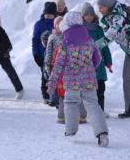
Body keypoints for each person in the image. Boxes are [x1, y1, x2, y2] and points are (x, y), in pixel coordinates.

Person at [47, 11, 109, 147]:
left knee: (70, 103)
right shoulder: (89, 40)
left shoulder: (65, 43)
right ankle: (102, 133)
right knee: (93, 105)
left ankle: (70, 131)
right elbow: (98, 59)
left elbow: (59, 65)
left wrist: (53, 82)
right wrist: (89, 68)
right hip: (89, 80)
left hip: (72, 82)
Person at [45, 16, 87, 124]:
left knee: (67, 96)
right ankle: (66, 116)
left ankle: (76, 116)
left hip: (67, 74)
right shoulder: (57, 38)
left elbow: (57, 59)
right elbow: (51, 55)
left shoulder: (64, 42)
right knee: (68, 96)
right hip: (71, 74)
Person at [81, 2, 112, 116]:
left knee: (100, 89)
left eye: (91, 14)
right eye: (86, 15)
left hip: (99, 64)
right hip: (85, 65)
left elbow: (104, 46)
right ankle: (87, 111)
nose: (89, 17)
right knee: (88, 90)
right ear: (82, 16)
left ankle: (100, 111)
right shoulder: (80, 30)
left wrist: (108, 61)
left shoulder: (99, 29)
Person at [32, 2, 57, 102]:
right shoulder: (39, 24)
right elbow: (35, 39)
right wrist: (35, 53)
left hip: (56, 55)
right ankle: (45, 95)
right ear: (44, 13)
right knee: (45, 75)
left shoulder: (57, 24)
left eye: (51, 15)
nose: (48, 17)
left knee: (55, 75)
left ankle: (55, 95)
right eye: (47, 14)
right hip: (43, 55)